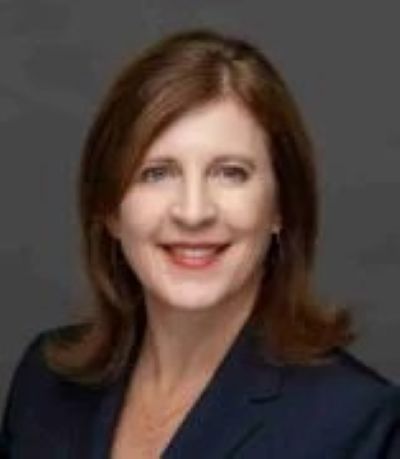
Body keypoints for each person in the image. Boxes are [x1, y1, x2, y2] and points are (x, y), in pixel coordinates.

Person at [1, 28, 399, 459]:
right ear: (110, 209)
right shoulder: (45, 383)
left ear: (281, 207)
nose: (193, 212)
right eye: (157, 173)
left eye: (230, 173)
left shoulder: (358, 421)